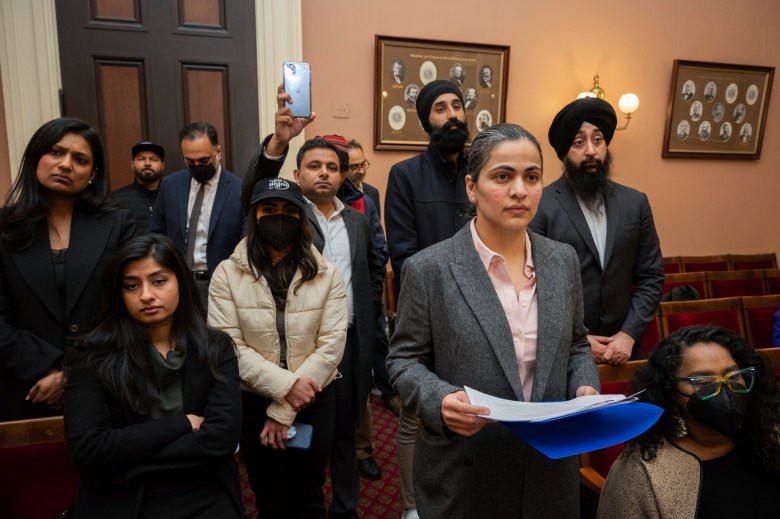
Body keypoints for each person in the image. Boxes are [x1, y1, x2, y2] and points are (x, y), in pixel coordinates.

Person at [387, 123, 599, 518]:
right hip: (467, 471)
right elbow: (403, 361)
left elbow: (577, 344)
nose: (520, 190)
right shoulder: (429, 268)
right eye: (503, 176)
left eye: (532, 177)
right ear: (472, 187)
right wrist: (440, 399)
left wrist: (584, 386)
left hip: (548, 471)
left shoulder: (562, 260)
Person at [63, 234, 242, 518]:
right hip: (120, 495)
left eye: (159, 281)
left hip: (202, 489)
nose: (146, 295)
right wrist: (182, 423)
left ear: (181, 282)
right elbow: (88, 452)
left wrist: (130, 458)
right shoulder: (92, 356)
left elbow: (221, 439)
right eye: (132, 286)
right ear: (119, 294)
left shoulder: (215, 347)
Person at [209, 177, 347, 518]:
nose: (279, 217)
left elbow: (331, 347)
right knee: (269, 496)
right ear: (254, 217)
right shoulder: (226, 274)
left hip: (315, 400)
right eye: (268, 210)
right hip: (254, 401)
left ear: (302, 218)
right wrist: (286, 389)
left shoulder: (328, 274)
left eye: (289, 211)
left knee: (310, 495)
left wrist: (283, 410)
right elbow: (228, 347)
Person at [0, 117, 136, 421]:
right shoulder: (3, 228)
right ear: (36, 157)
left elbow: (127, 309)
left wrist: (73, 374)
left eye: (80, 159)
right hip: (25, 386)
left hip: (104, 383)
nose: (65, 164)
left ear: (92, 174)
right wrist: (47, 367)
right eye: (56, 152)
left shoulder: (119, 224)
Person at [385, 79, 471, 519]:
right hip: (427, 315)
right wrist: (447, 300)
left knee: (472, 408)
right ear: (427, 122)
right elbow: (404, 256)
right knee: (416, 415)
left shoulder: (483, 168)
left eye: (457, 105)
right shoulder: (405, 175)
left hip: (483, 316)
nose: (452, 114)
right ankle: (413, 507)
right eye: (440, 108)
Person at [530, 97, 664, 366]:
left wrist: (628, 334)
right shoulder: (539, 205)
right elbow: (531, 287)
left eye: (598, 140)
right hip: (562, 355)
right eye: (579, 143)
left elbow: (650, 277)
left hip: (624, 353)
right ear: (564, 152)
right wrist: (574, 338)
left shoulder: (635, 203)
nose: (591, 151)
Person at [598, 325, 780, 518]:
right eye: (703, 382)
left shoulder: (772, 434)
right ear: (671, 392)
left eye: (733, 376)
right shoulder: (640, 471)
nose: (724, 391)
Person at [150, 122, 245, 310]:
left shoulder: (239, 189)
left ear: (218, 152)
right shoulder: (170, 185)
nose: (197, 166)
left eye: (203, 160)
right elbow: (156, 234)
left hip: (222, 286)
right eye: (190, 162)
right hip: (177, 283)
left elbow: (245, 243)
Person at [112, 141, 165, 232]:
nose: (147, 163)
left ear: (162, 166)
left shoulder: (173, 196)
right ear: (132, 165)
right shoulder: (116, 199)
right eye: (141, 159)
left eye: (154, 159)